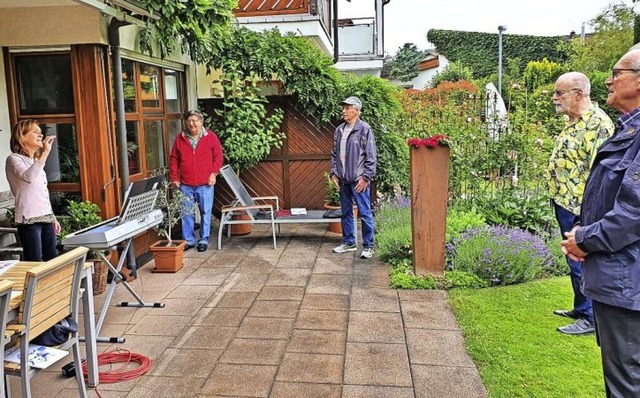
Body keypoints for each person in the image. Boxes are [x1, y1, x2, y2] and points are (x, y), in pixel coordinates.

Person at [562, 49, 640, 396]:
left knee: (626, 383)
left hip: (628, 282)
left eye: (616, 72)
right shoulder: (628, 130)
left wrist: (585, 238)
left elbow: (632, 213)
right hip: (619, 275)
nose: (608, 80)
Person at [547, 72, 614, 335]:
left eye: (559, 93)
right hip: (565, 202)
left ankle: (589, 317)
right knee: (572, 259)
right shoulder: (574, 122)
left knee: (580, 259)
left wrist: (588, 211)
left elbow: (602, 173)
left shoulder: (598, 125)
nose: (554, 98)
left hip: (581, 208)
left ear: (578, 93)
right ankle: (580, 306)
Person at [5, 120, 61, 261]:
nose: (40, 135)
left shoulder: (36, 161)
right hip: (28, 220)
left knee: (52, 258)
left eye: (40, 132)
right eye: (35, 132)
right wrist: (45, 154)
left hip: (46, 217)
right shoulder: (14, 159)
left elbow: (42, 193)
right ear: (22, 137)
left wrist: (52, 217)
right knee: (34, 260)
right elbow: (28, 177)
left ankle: (51, 284)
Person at [169, 110, 223, 252]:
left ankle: (204, 240)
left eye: (194, 120)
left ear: (201, 121)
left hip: (205, 183)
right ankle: (189, 240)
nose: (192, 124)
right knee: (186, 213)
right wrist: (174, 177)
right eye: (189, 121)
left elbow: (218, 157)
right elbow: (174, 158)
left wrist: (213, 174)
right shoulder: (180, 138)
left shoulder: (210, 137)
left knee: (205, 212)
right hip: (186, 183)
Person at [330, 96, 377, 259]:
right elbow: (334, 154)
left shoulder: (365, 129)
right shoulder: (339, 130)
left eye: (347, 108)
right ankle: (349, 242)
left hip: (359, 180)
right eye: (344, 108)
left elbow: (371, 157)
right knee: (346, 212)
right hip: (343, 180)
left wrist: (366, 177)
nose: (344, 111)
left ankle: (369, 246)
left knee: (364, 213)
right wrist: (334, 173)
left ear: (356, 111)